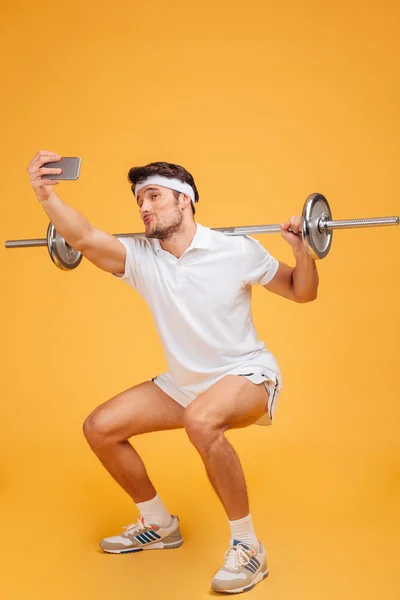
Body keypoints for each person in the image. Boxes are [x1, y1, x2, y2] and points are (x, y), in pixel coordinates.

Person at [27, 150, 319, 594]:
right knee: (100, 428)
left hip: (246, 373)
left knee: (200, 420)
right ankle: (159, 524)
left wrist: (303, 250)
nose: (143, 207)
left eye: (153, 196)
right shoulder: (141, 259)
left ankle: (248, 547)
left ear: (185, 200)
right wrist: (46, 194)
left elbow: (303, 292)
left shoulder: (237, 251)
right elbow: (84, 237)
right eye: (139, 200)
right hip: (184, 384)